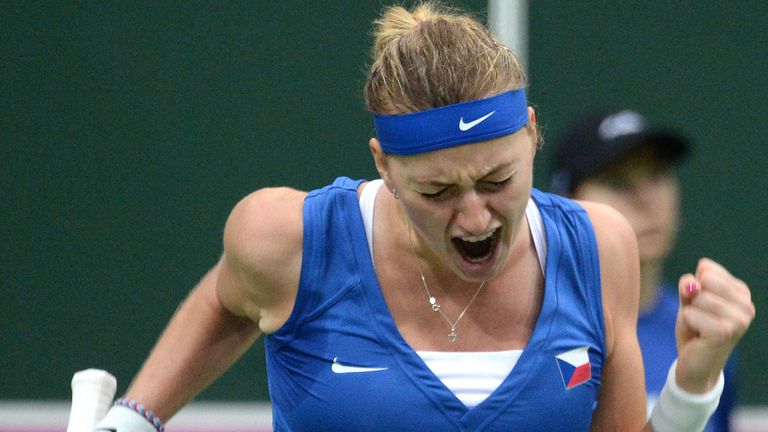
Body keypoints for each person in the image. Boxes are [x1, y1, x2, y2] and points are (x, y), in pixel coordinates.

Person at [95, 3, 755, 431]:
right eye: (437, 191)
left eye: (498, 180)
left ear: (531, 135)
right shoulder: (286, 238)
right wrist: (130, 421)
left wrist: (693, 385)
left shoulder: (596, 248)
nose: (474, 217)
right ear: (383, 164)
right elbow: (226, 302)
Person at [549, 108, 739, 431]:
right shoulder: (537, 331)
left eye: (656, 175)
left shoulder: (702, 331)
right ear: (567, 203)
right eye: (617, 181)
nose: (646, 198)